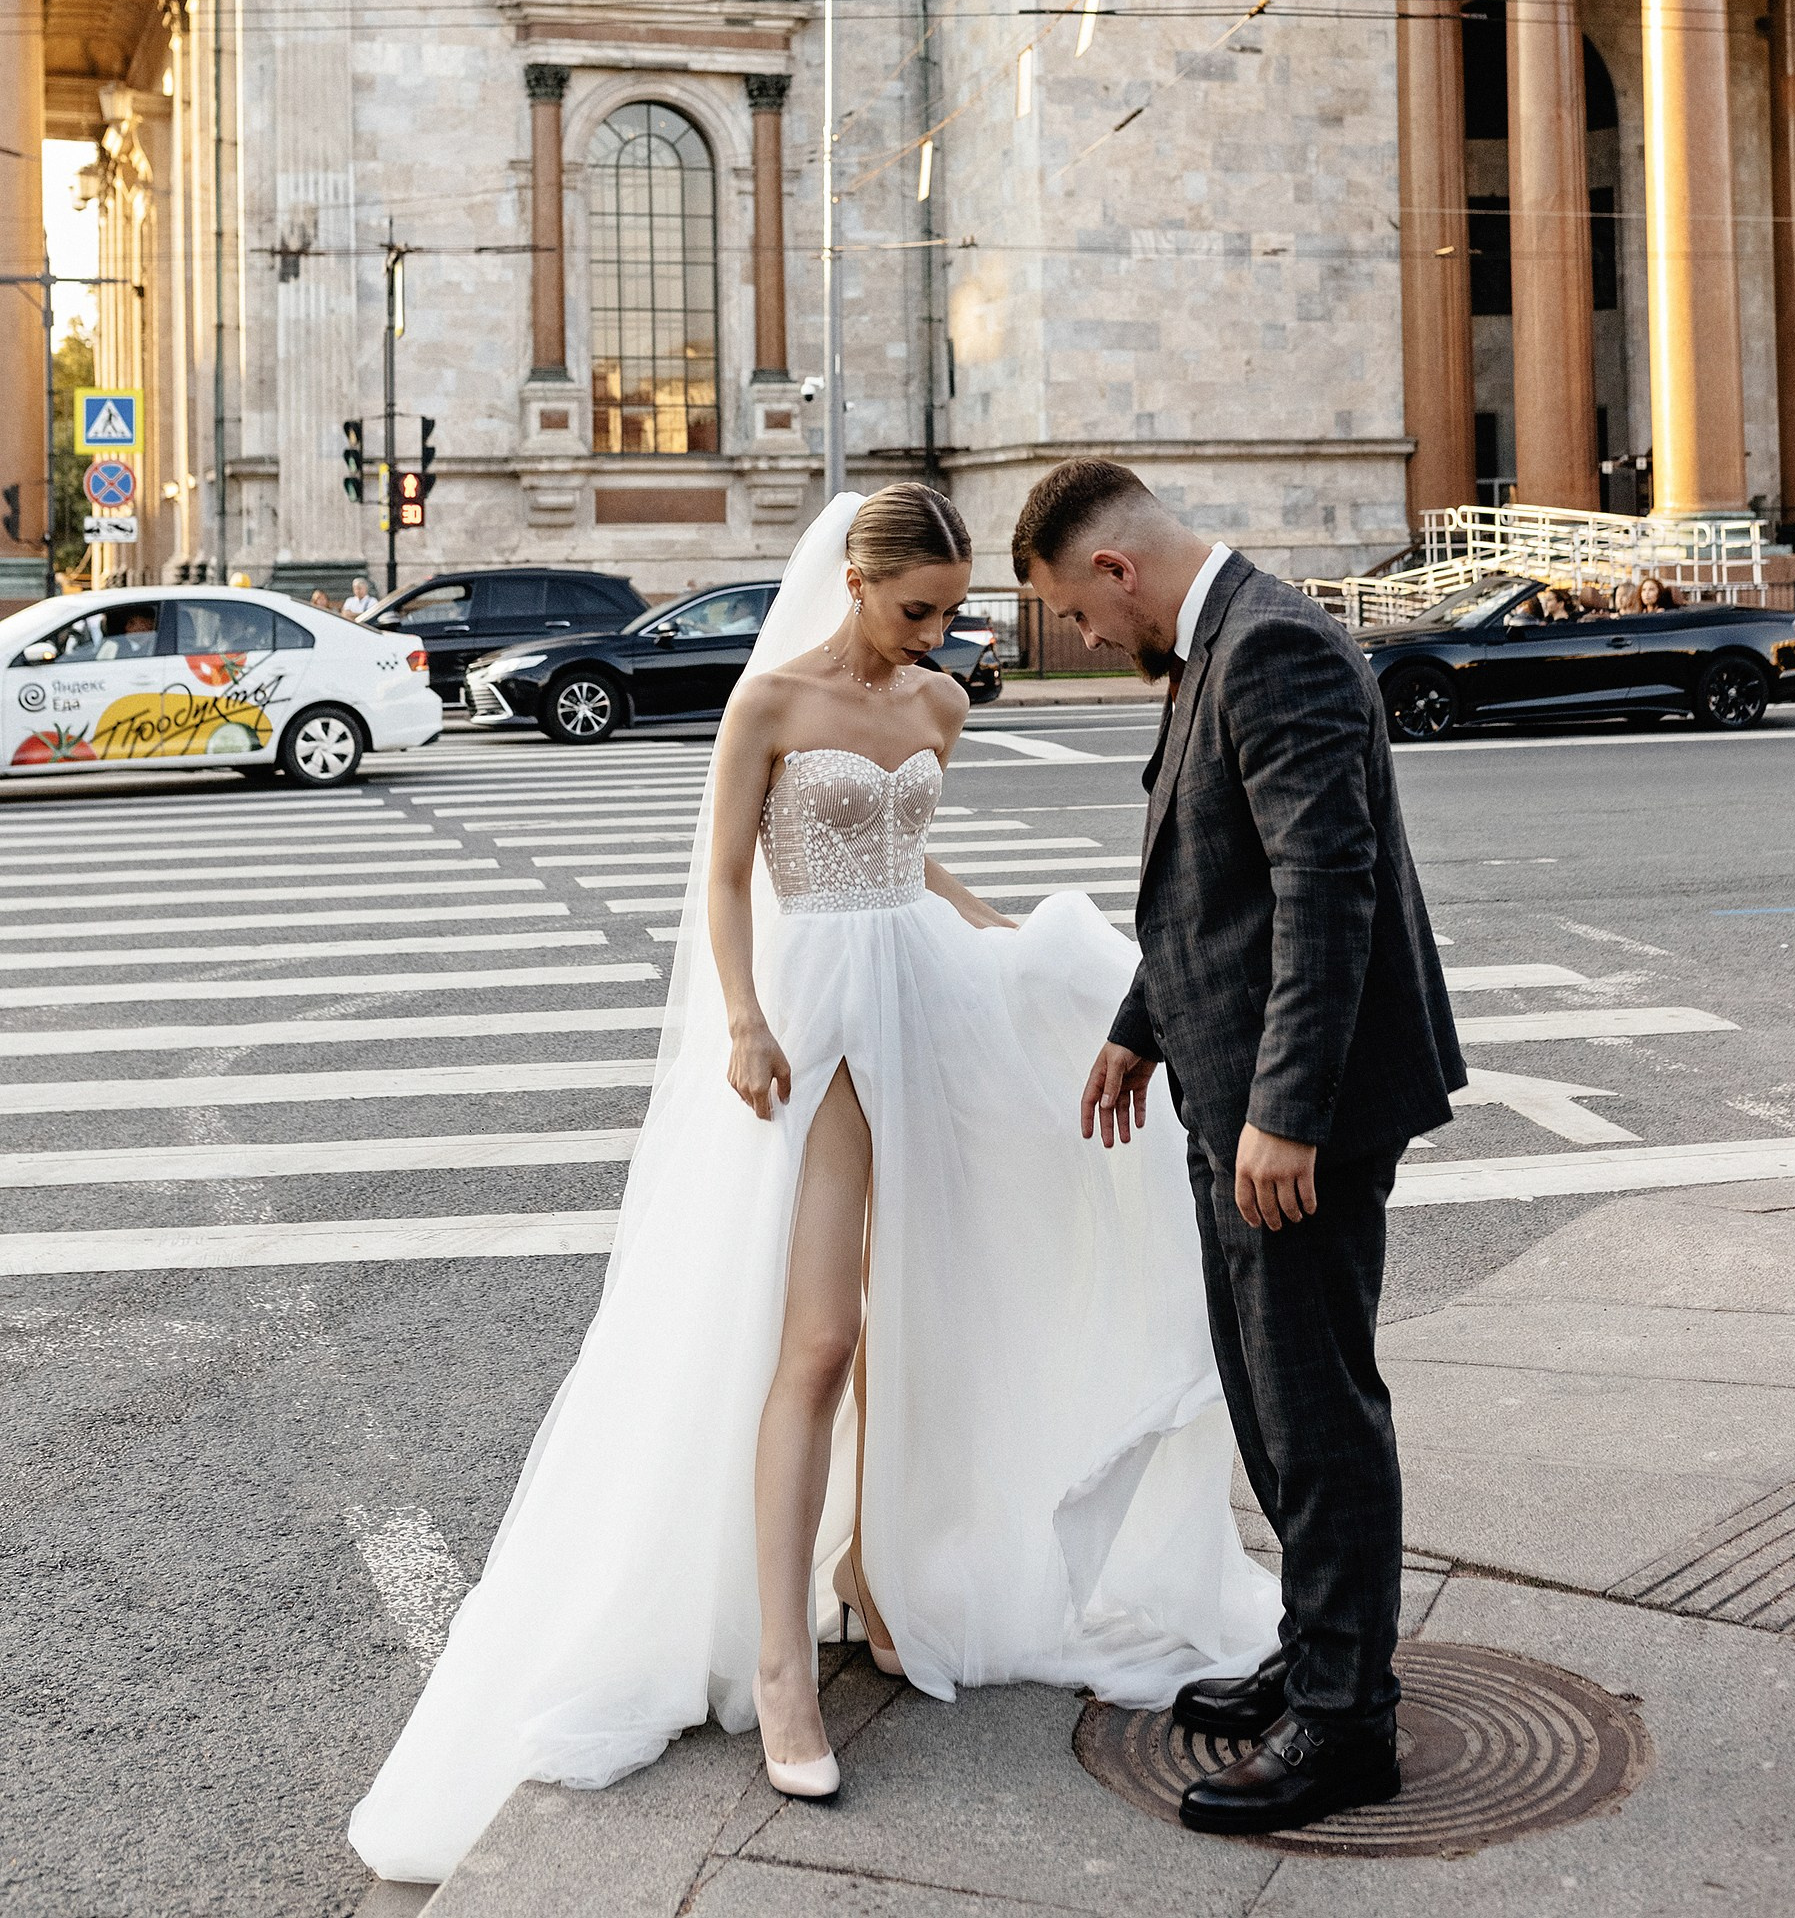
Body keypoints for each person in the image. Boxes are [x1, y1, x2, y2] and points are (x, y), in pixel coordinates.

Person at [349, 486, 1276, 1885]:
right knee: (819, 1338)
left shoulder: (939, 707)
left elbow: (913, 852)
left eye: (953, 615)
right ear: (853, 579)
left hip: (927, 994)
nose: (939, 637)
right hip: (813, 1013)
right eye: (918, 611)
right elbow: (723, 878)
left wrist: (999, 933)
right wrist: (740, 1018)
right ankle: (785, 1661)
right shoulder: (769, 703)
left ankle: (878, 1584)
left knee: (922, 1315)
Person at [1014, 461, 1464, 1838]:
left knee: (1317, 1410)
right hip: (1235, 1086)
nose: (1088, 643)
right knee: (1272, 1401)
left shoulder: (1271, 647)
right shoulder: (1221, 641)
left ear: (1117, 573)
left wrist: (1288, 1113)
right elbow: (1211, 878)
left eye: (1077, 618)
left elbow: (1328, 890)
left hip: (1297, 1113)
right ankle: (1320, 1653)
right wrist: (1141, 1023)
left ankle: (1345, 1727)